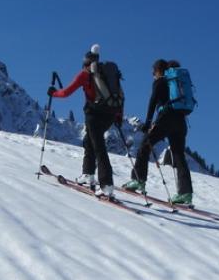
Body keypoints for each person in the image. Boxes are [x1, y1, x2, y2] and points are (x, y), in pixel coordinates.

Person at [48, 44, 123, 198]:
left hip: (94, 115)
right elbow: (120, 95)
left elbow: (66, 92)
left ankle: (106, 185)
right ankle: (88, 174)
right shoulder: (107, 73)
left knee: (99, 147)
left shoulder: (85, 74)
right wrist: (118, 116)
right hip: (110, 114)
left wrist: (53, 93)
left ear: (85, 62)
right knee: (89, 141)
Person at [122, 59, 194, 205]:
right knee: (179, 156)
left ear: (158, 71)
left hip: (166, 119)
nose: (152, 75)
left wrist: (147, 123)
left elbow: (153, 101)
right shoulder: (174, 83)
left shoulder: (160, 81)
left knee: (145, 145)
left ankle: (138, 180)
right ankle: (185, 193)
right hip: (181, 122)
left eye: (153, 72)